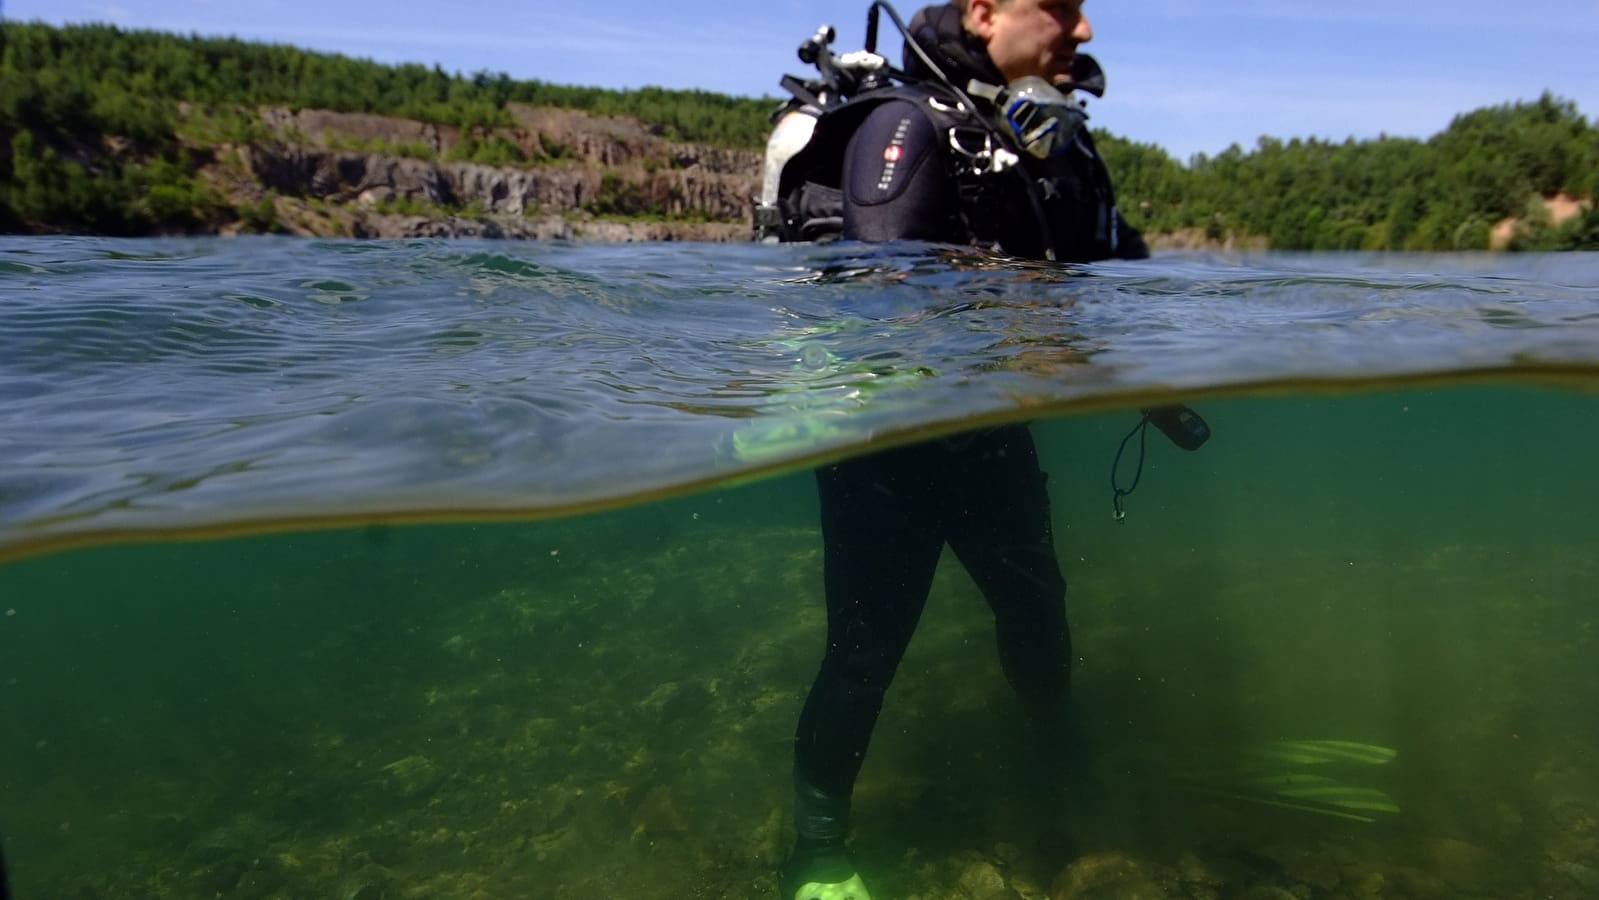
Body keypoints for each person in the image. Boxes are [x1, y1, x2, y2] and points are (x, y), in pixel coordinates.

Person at [774, 2, 1148, 899]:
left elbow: (1128, 269)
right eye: (1060, 5)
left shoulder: (1046, 144)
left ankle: (1056, 761)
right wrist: (1032, 320)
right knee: (865, 654)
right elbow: (883, 284)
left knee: (1036, 613)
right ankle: (816, 852)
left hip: (989, 437)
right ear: (983, 12)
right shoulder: (904, 122)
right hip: (886, 445)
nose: (1084, 29)